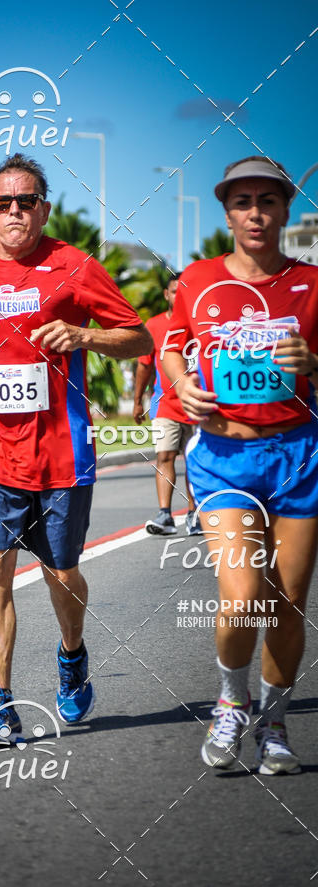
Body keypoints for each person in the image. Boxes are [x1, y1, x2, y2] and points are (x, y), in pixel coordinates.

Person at [0, 153, 152, 747]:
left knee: (61, 572)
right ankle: (0, 705)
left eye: (26, 202)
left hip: (61, 449)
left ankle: (72, 655)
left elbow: (141, 337)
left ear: (43, 208)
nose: (15, 212)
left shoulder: (74, 266)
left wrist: (84, 335)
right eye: (3, 203)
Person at [162, 156, 318, 774]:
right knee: (243, 598)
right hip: (225, 456)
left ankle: (274, 724)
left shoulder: (312, 284)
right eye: (243, 202)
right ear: (227, 213)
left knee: (286, 604)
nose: (256, 213)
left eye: (268, 201)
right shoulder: (198, 280)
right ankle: (231, 700)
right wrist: (183, 384)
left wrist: (312, 362)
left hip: (299, 455)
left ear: (283, 210)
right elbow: (173, 345)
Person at [133, 275, 201, 536]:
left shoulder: (201, 323)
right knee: (164, 456)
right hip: (165, 405)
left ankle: (195, 514)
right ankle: (165, 515)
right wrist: (138, 401)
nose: (179, 296)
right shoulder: (155, 325)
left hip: (198, 405)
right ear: (166, 294)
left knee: (194, 460)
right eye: (174, 291)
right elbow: (144, 365)